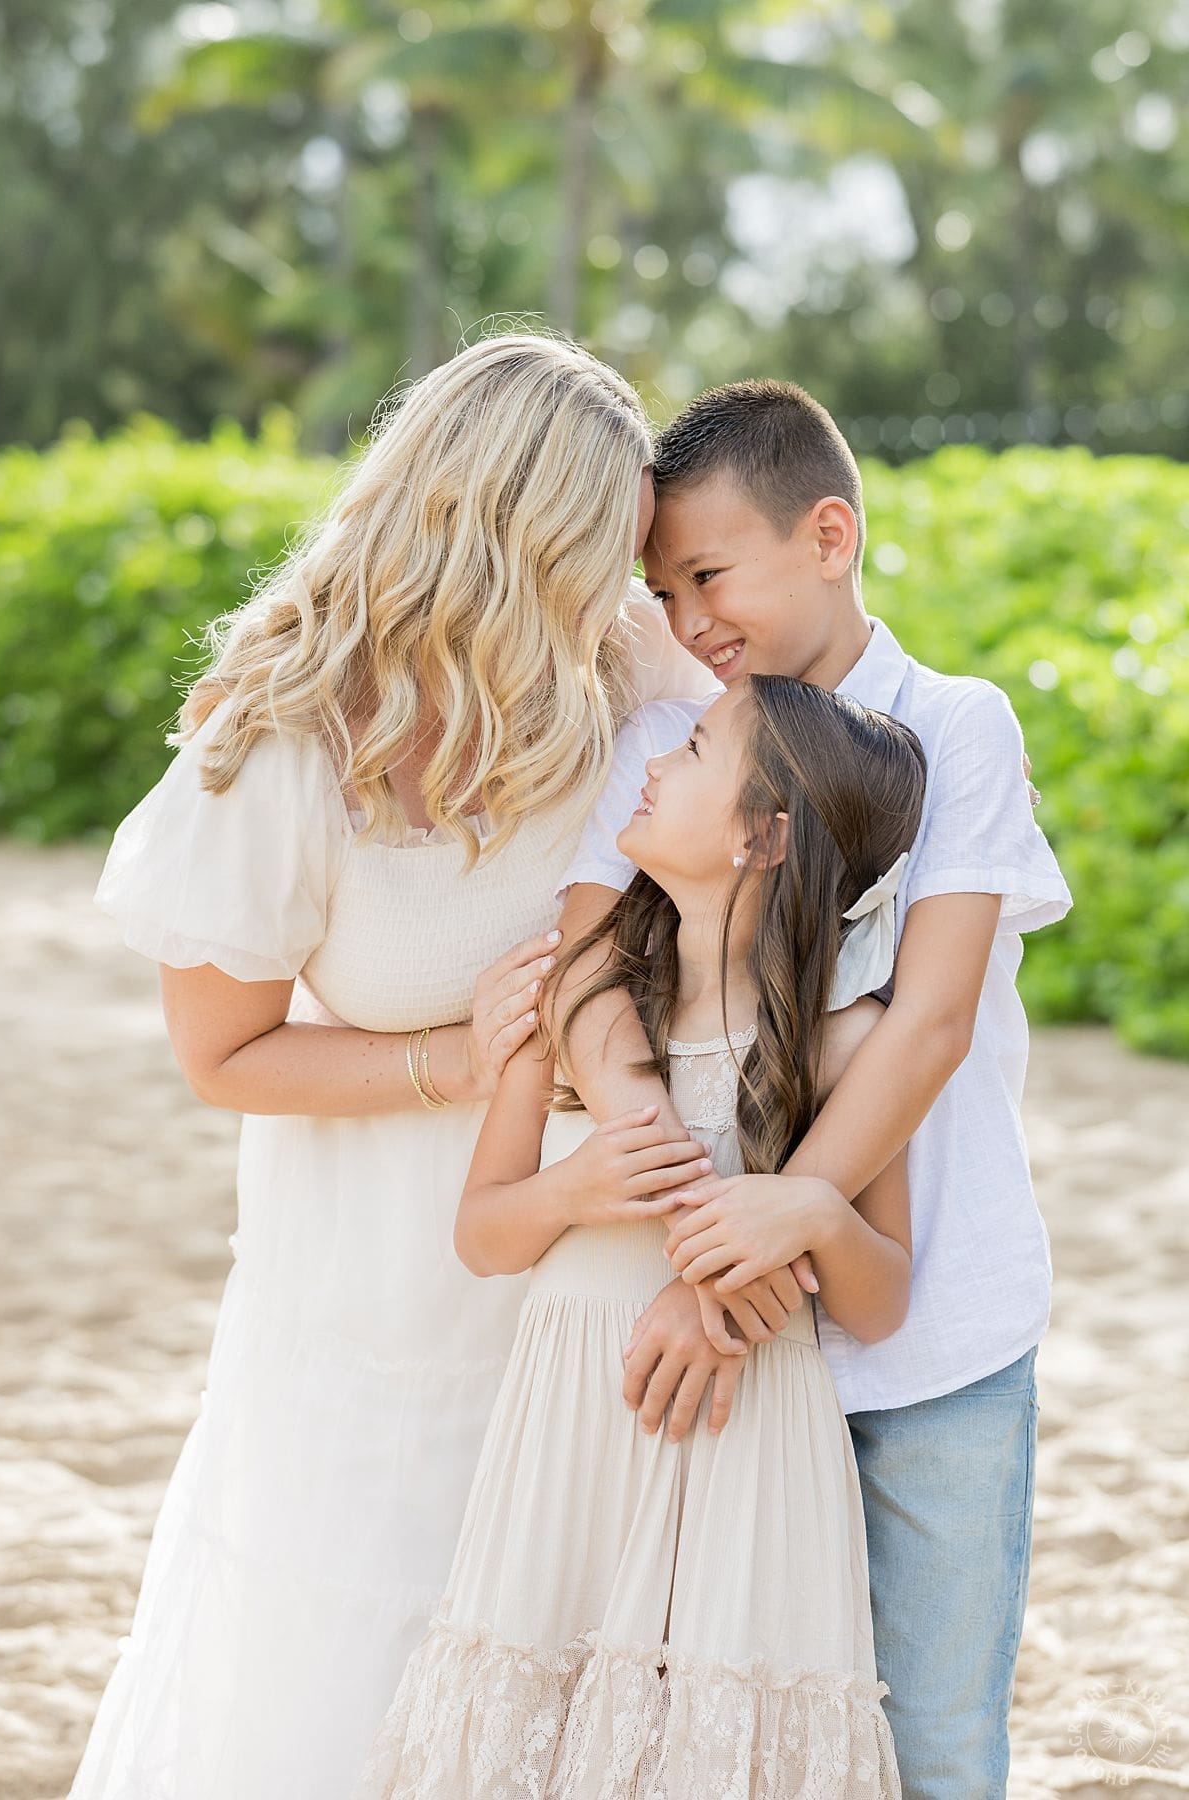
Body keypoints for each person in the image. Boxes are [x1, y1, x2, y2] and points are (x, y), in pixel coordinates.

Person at [71, 333, 717, 1800]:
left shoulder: (622, 658)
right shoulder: (283, 739)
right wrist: (461, 1054)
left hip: (580, 1280)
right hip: (370, 1302)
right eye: (592, 557)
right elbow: (223, 1054)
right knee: (347, 1687)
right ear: (501, 539)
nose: (620, 593)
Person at [551, 379, 1073, 1800]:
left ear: (828, 533)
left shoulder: (954, 728)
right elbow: (584, 976)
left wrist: (760, 1251)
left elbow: (928, 1022)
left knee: (936, 1740)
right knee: (725, 1735)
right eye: (663, 592)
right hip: (699, 1326)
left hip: (929, 1330)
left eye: (709, 575)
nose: (688, 621)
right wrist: (670, 1173)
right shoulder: (668, 751)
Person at [356, 674, 927, 1798]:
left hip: (751, 1430)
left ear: (765, 836)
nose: (657, 762)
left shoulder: (844, 1047)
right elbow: (484, 1234)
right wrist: (574, 1190)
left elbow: (880, 1299)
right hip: (576, 1418)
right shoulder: (580, 1008)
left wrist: (809, 1214)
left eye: (699, 749)